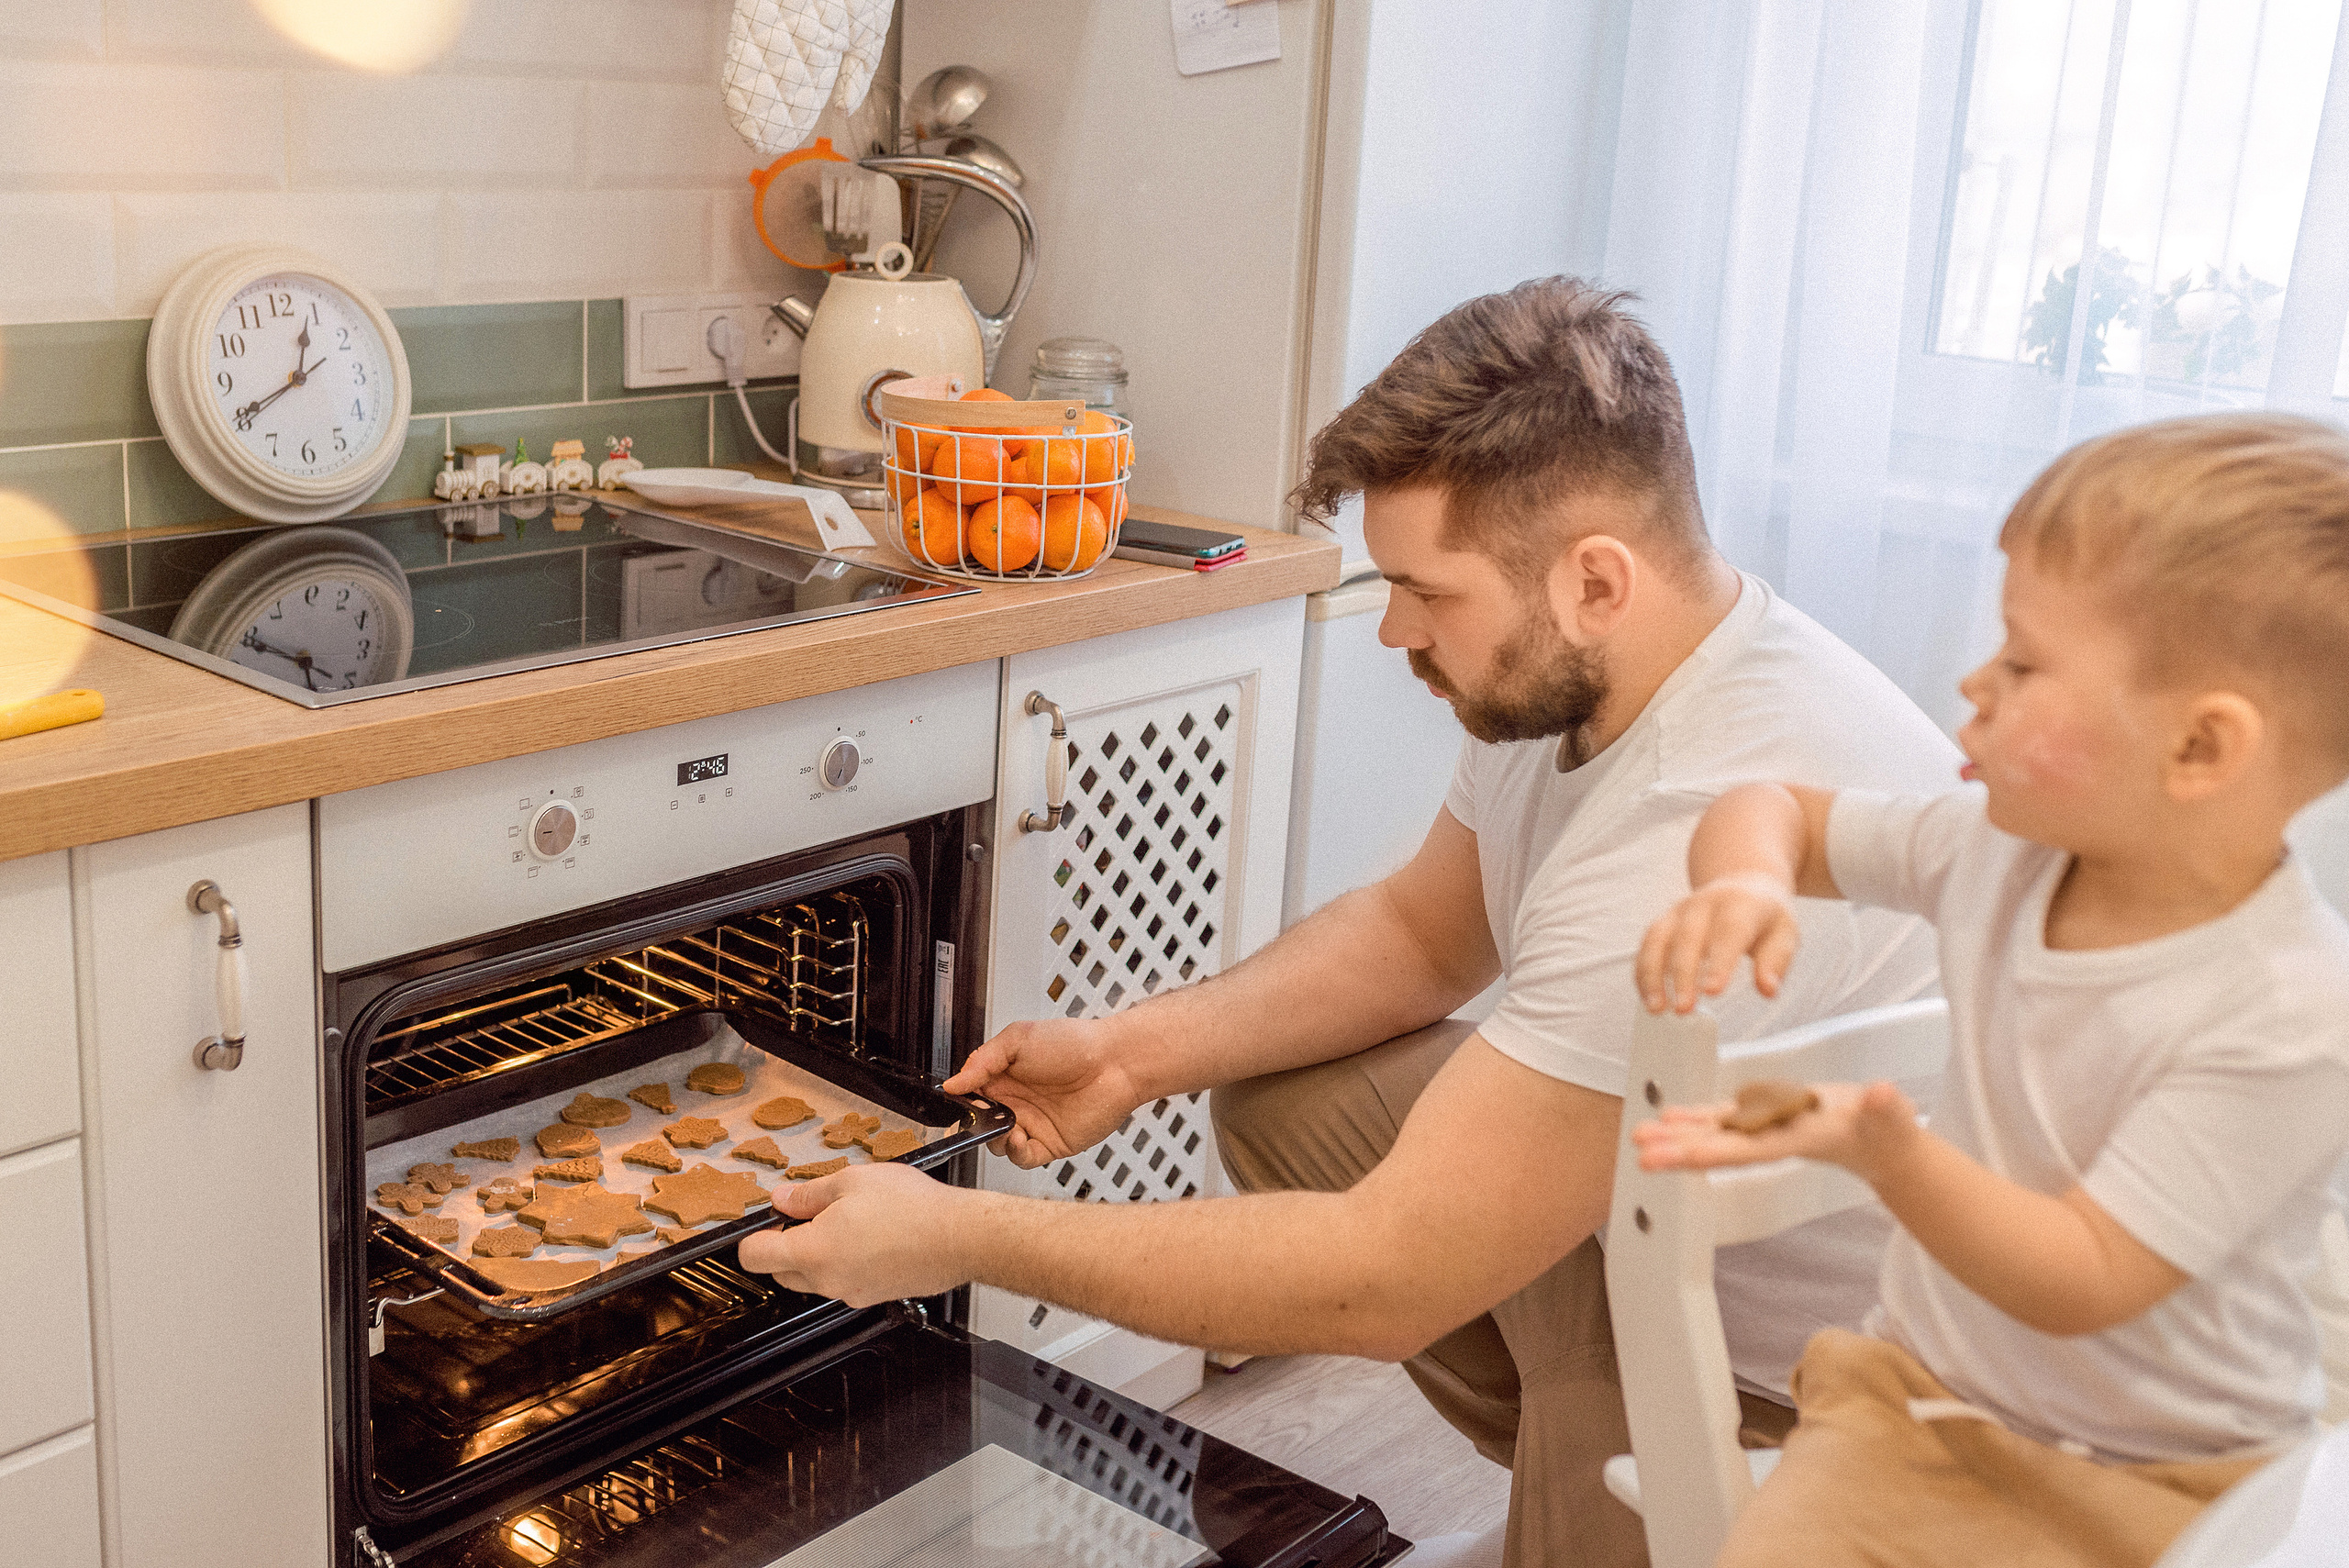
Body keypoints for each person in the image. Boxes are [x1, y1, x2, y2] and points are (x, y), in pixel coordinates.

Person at [739, 276, 1958, 1568]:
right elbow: (1425, 937)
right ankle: (1567, 1461)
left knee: (1432, 1252)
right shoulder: (1612, 674)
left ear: (1597, 578)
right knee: (1291, 1096)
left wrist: (955, 1235)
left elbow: (1390, 1276)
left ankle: (1634, 1506)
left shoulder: (1688, 829)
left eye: (1429, 591)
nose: (1394, 630)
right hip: (1673, 1224)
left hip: (1825, 1391)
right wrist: (1134, 1053)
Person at [1631, 414, 2349, 1568]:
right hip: (1921, 1410)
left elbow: (2087, 1275)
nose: (1974, 681)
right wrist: (1753, 878)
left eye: (2021, 663)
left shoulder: (2293, 1012)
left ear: (2202, 750)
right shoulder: (1993, 847)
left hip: (2185, 1480)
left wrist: (1890, 1155)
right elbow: (1777, 807)